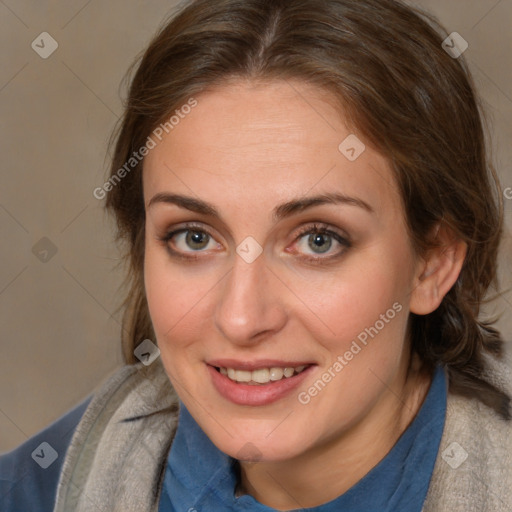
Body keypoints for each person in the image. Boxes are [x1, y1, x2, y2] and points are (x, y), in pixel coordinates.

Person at [1, 0, 511, 510]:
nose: (242, 318)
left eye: (318, 240)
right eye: (194, 237)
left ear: (432, 263)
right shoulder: (32, 491)